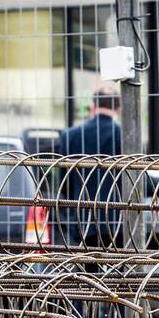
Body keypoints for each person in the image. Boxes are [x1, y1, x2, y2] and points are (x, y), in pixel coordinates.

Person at [56, 85, 123, 252]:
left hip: (82, 217)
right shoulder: (124, 135)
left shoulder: (70, 136)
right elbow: (135, 176)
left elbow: (65, 182)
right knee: (121, 272)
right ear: (119, 109)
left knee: (88, 272)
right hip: (117, 219)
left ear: (93, 106)